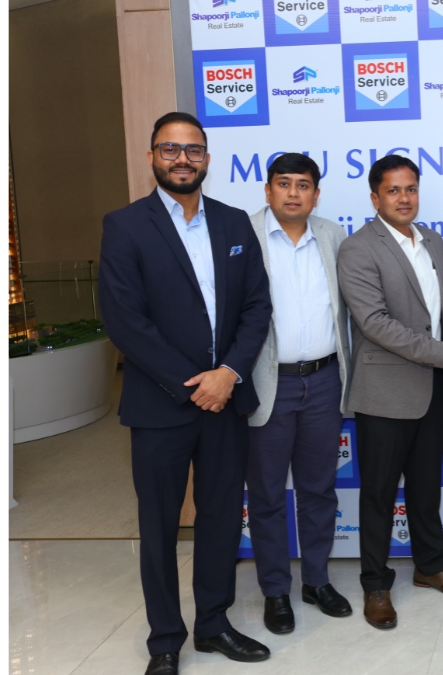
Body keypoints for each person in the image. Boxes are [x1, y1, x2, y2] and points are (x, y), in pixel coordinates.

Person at [98, 112, 273, 675]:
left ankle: (214, 624)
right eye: (170, 149)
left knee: (221, 518)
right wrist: (191, 384)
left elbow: (257, 306)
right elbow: (124, 320)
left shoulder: (233, 222)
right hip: (159, 405)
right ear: (152, 156)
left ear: (207, 158)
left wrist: (229, 373)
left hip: (227, 400)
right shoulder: (125, 226)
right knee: (159, 527)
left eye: (193, 149)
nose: (182, 159)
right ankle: (165, 641)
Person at [336, 155, 443, 630]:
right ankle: (375, 584)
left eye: (411, 189)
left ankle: (431, 567)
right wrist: (442, 353)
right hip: (384, 391)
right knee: (379, 494)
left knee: (425, 488)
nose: (404, 198)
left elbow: (438, 307)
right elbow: (374, 322)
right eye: (394, 190)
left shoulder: (432, 241)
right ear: (375, 197)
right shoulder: (358, 248)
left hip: (431, 388)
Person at [245, 153, 353, 634]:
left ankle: (316, 580)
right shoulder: (243, 235)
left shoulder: (332, 236)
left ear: (316, 194)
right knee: (267, 493)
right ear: (268, 190)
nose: (293, 193)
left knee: (318, 489)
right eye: (284, 183)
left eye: (303, 185)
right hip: (268, 382)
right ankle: (274, 590)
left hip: (325, 381)